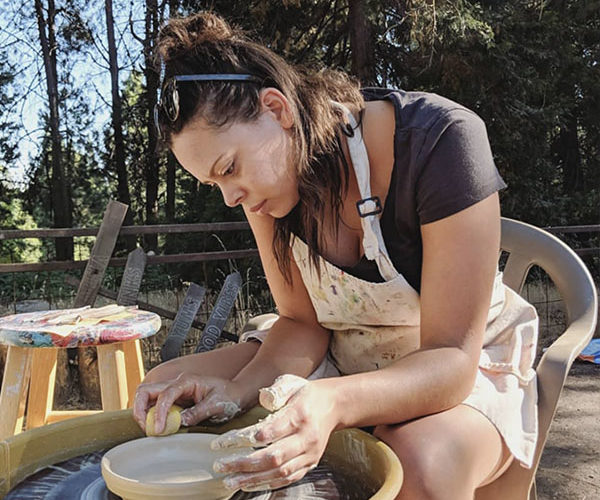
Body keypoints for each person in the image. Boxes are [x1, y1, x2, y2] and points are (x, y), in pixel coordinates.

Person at [133, 11, 539, 499]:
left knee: (416, 461)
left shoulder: (442, 140)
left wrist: (331, 402)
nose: (229, 198)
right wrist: (234, 393)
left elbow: (451, 359)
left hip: (458, 364)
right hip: (346, 352)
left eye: (229, 168)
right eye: (214, 182)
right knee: (166, 383)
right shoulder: (265, 186)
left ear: (277, 110)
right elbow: (302, 324)